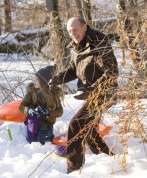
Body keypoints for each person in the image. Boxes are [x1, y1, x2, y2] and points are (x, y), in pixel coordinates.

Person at [48, 17, 119, 173]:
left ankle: (73, 170)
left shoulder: (98, 43)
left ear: (85, 27)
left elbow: (112, 72)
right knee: (88, 129)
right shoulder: (77, 47)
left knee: (76, 125)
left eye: (75, 29)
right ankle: (110, 161)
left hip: (104, 92)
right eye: (69, 31)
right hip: (93, 93)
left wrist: (94, 88)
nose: (72, 34)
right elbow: (74, 69)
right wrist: (59, 78)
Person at [19, 65, 63, 144]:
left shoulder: (53, 94)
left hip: (47, 122)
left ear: (43, 81)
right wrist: (29, 110)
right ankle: (31, 143)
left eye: (36, 79)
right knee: (32, 136)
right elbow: (21, 106)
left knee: (44, 140)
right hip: (33, 120)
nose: (34, 81)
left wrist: (48, 112)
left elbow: (60, 111)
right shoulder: (32, 92)